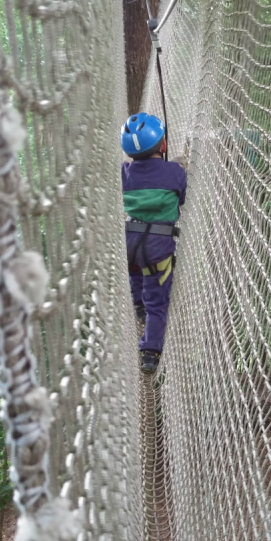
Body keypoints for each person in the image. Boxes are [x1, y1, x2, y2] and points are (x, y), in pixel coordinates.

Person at [121, 113, 186, 373]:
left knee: (135, 271)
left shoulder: (125, 172)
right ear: (163, 145)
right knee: (157, 303)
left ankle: (138, 304)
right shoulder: (175, 172)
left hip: (130, 241)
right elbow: (181, 198)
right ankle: (150, 352)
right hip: (158, 246)